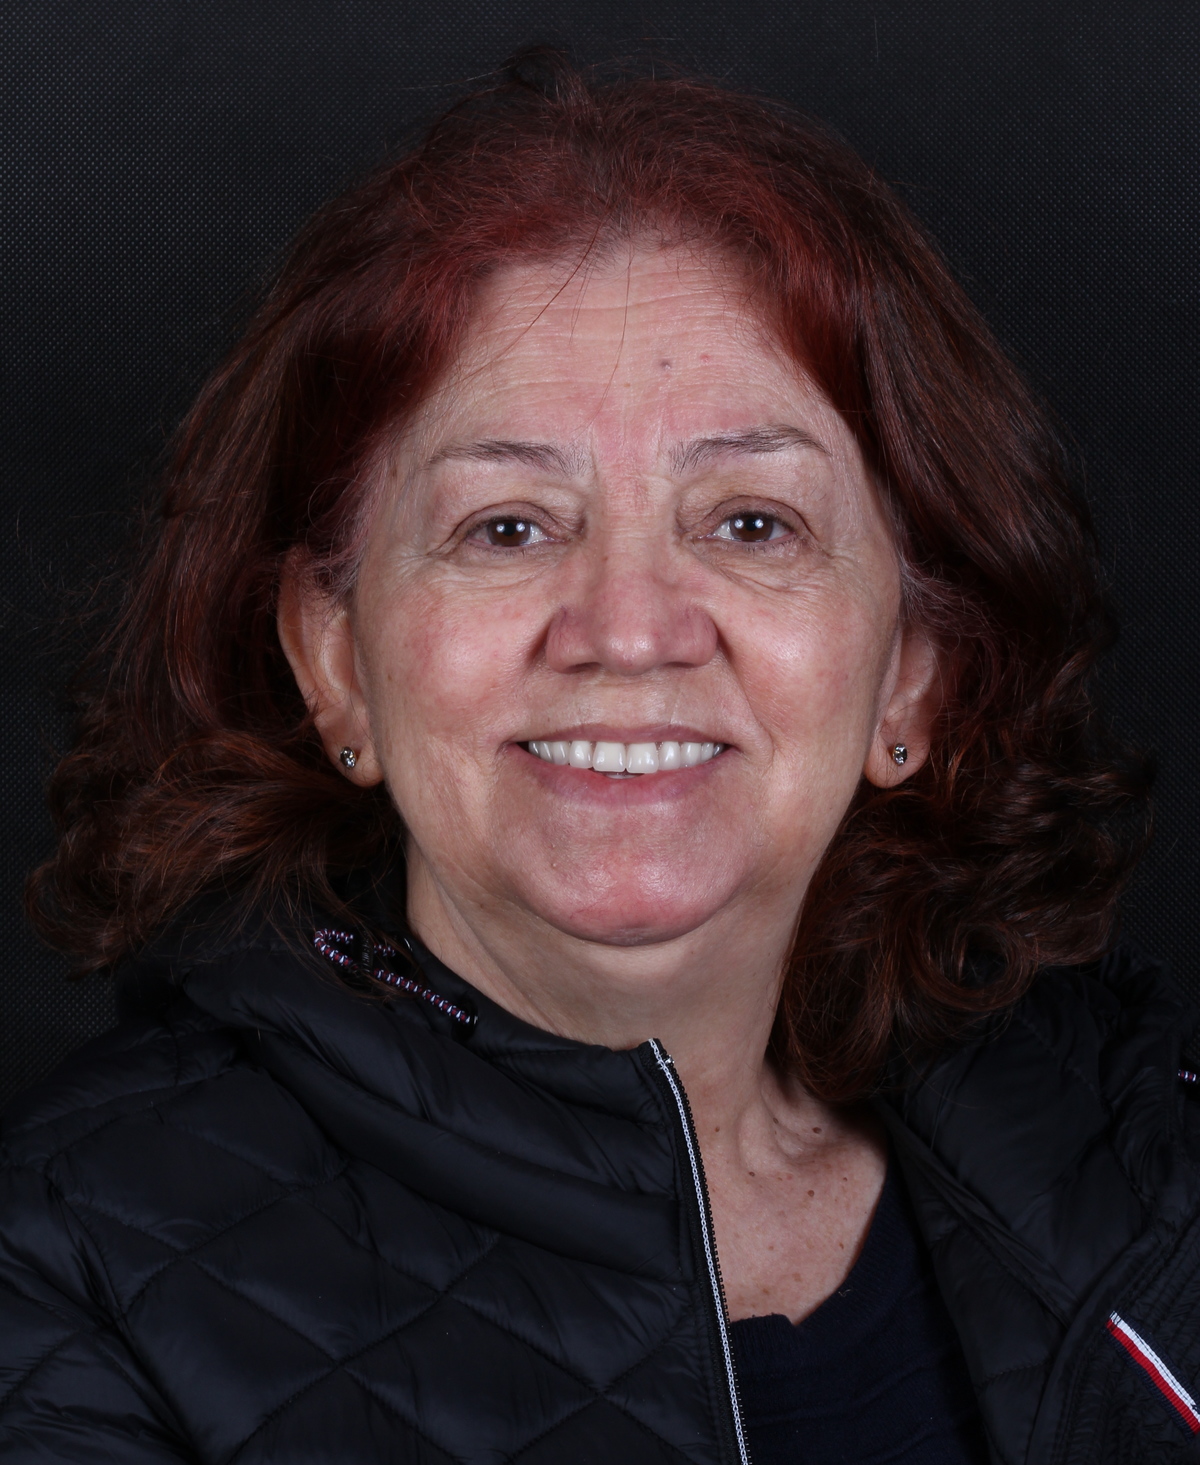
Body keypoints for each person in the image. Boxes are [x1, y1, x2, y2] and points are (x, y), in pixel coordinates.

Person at [0, 49, 1190, 1465]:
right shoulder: (68, 1267)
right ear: (334, 661)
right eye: (507, 527)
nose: (628, 630)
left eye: (751, 523)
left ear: (912, 674)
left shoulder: (1142, 1161)